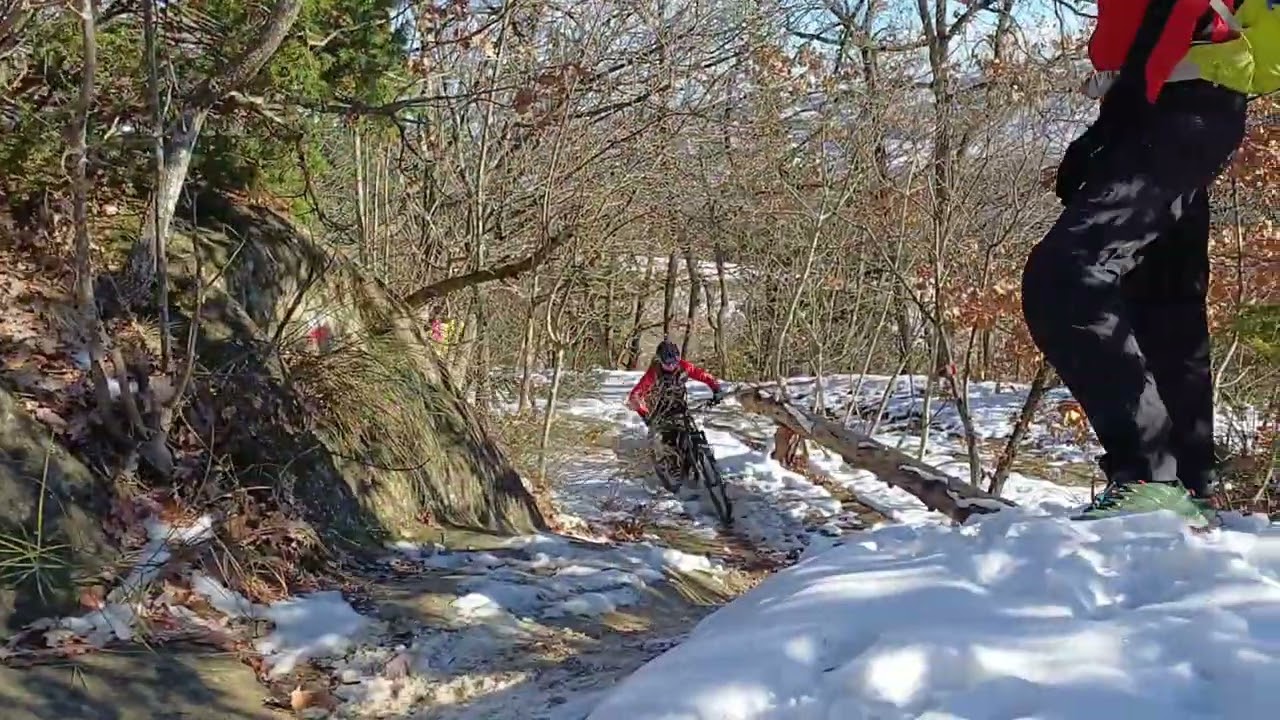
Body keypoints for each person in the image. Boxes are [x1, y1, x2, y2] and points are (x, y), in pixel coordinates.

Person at [1021, 0, 1269, 525]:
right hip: (1184, 94)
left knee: (1066, 276)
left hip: (1178, 95)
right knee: (1162, 298)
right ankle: (1187, 487)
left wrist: (1122, 107)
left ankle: (1149, 476)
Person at [627, 339, 726, 488]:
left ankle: (697, 457)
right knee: (669, 437)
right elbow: (635, 396)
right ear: (660, 361)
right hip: (658, 408)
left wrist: (716, 388)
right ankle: (673, 465)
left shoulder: (683, 366)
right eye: (668, 363)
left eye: (675, 361)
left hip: (678, 403)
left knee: (690, 429)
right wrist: (644, 414)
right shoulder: (654, 373)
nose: (672, 366)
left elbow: (703, 375)